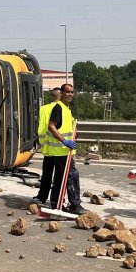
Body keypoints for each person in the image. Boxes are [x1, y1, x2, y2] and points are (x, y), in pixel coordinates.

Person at [44, 83, 86, 215]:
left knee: (60, 178)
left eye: (72, 92)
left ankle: (56, 203)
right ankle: (75, 205)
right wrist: (64, 140)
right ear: (62, 93)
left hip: (66, 151)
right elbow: (51, 126)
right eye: (68, 92)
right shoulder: (59, 108)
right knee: (72, 177)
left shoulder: (67, 109)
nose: (70, 94)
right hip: (61, 150)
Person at [33, 87, 61, 205]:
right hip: (59, 147)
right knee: (59, 177)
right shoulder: (62, 108)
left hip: (47, 146)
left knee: (46, 174)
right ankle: (57, 200)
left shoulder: (43, 109)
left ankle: (42, 197)